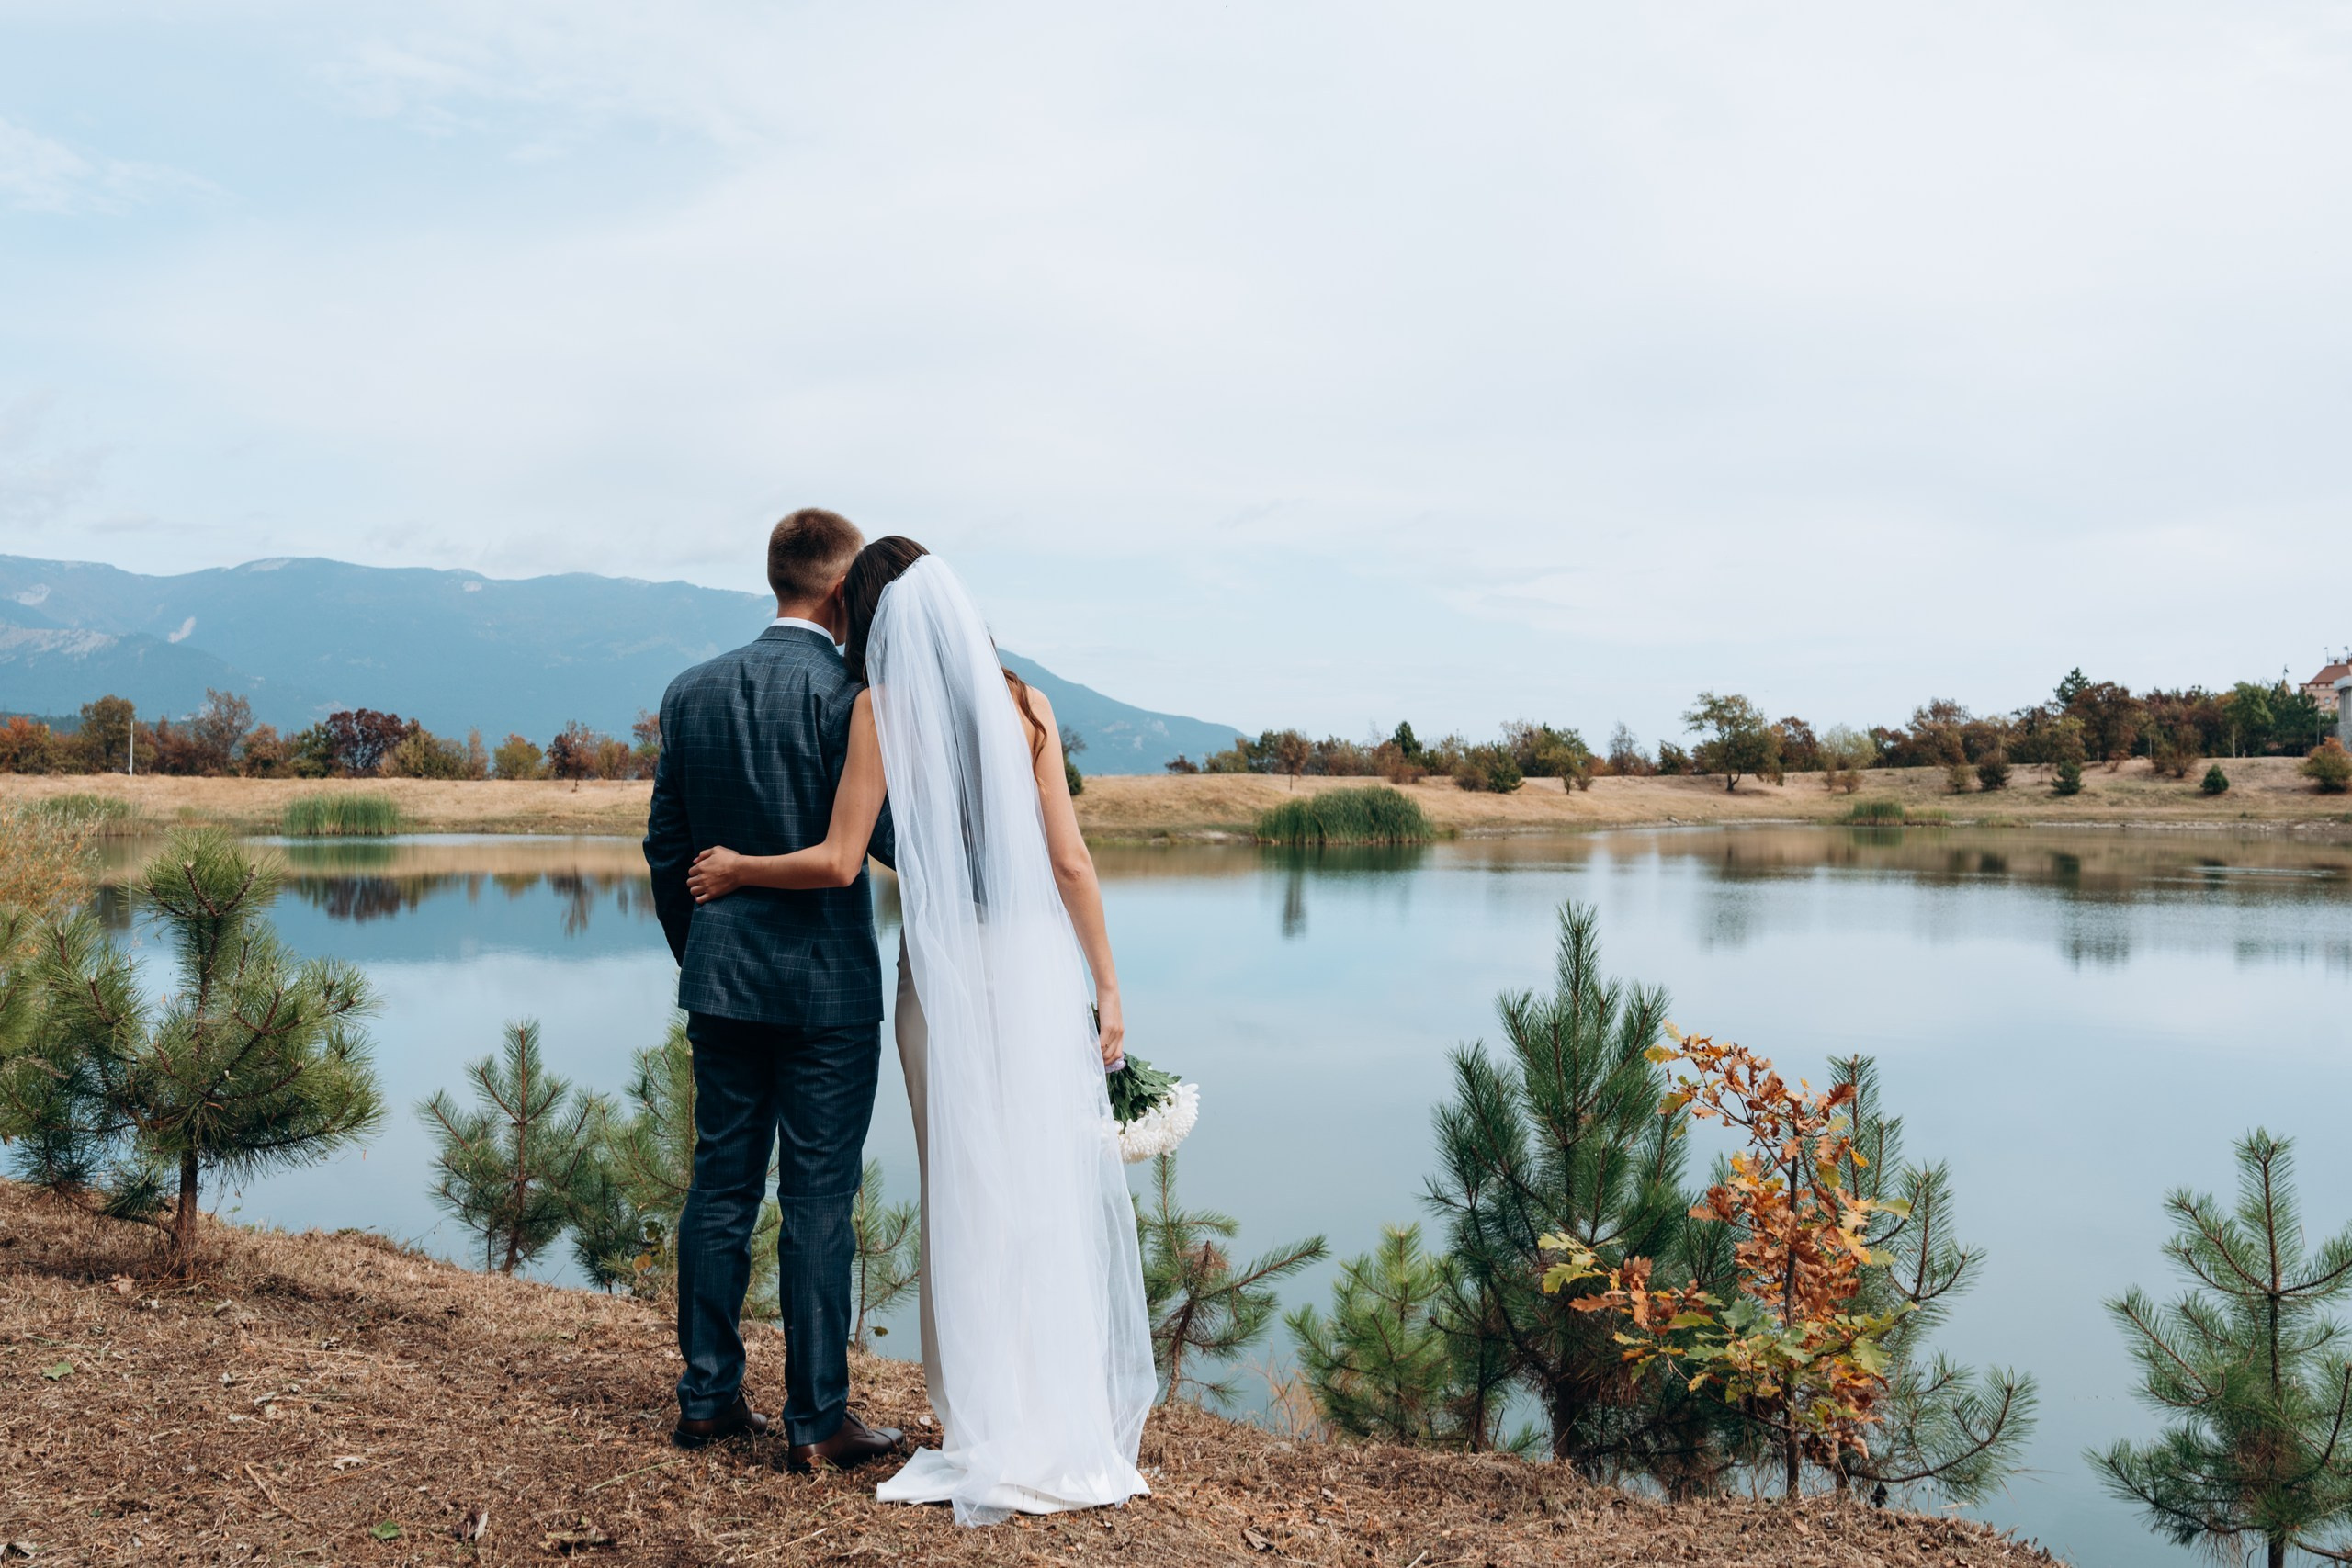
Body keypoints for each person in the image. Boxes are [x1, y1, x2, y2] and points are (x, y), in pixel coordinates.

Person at [685, 537, 1154, 1525]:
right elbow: (1069, 864)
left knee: (963, 1186)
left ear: (872, 617)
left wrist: (733, 869)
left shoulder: (883, 710)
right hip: (1032, 971)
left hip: (940, 980)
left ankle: (978, 1420)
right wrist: (1107, 989)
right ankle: (1051, 1410)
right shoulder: (1027, 706)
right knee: (1038, 1185)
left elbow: (839, 859)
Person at [641, 507, 904, 1473]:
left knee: (719, 1186)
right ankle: (817, 1419)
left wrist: (700, 948)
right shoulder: (857, 698)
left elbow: (667, 847)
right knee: (819, 1200)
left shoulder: (691, 690)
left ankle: (707, 1399)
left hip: (722, 981)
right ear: (842, 593)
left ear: (776, 578)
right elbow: (878, 846)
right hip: (829, 992)